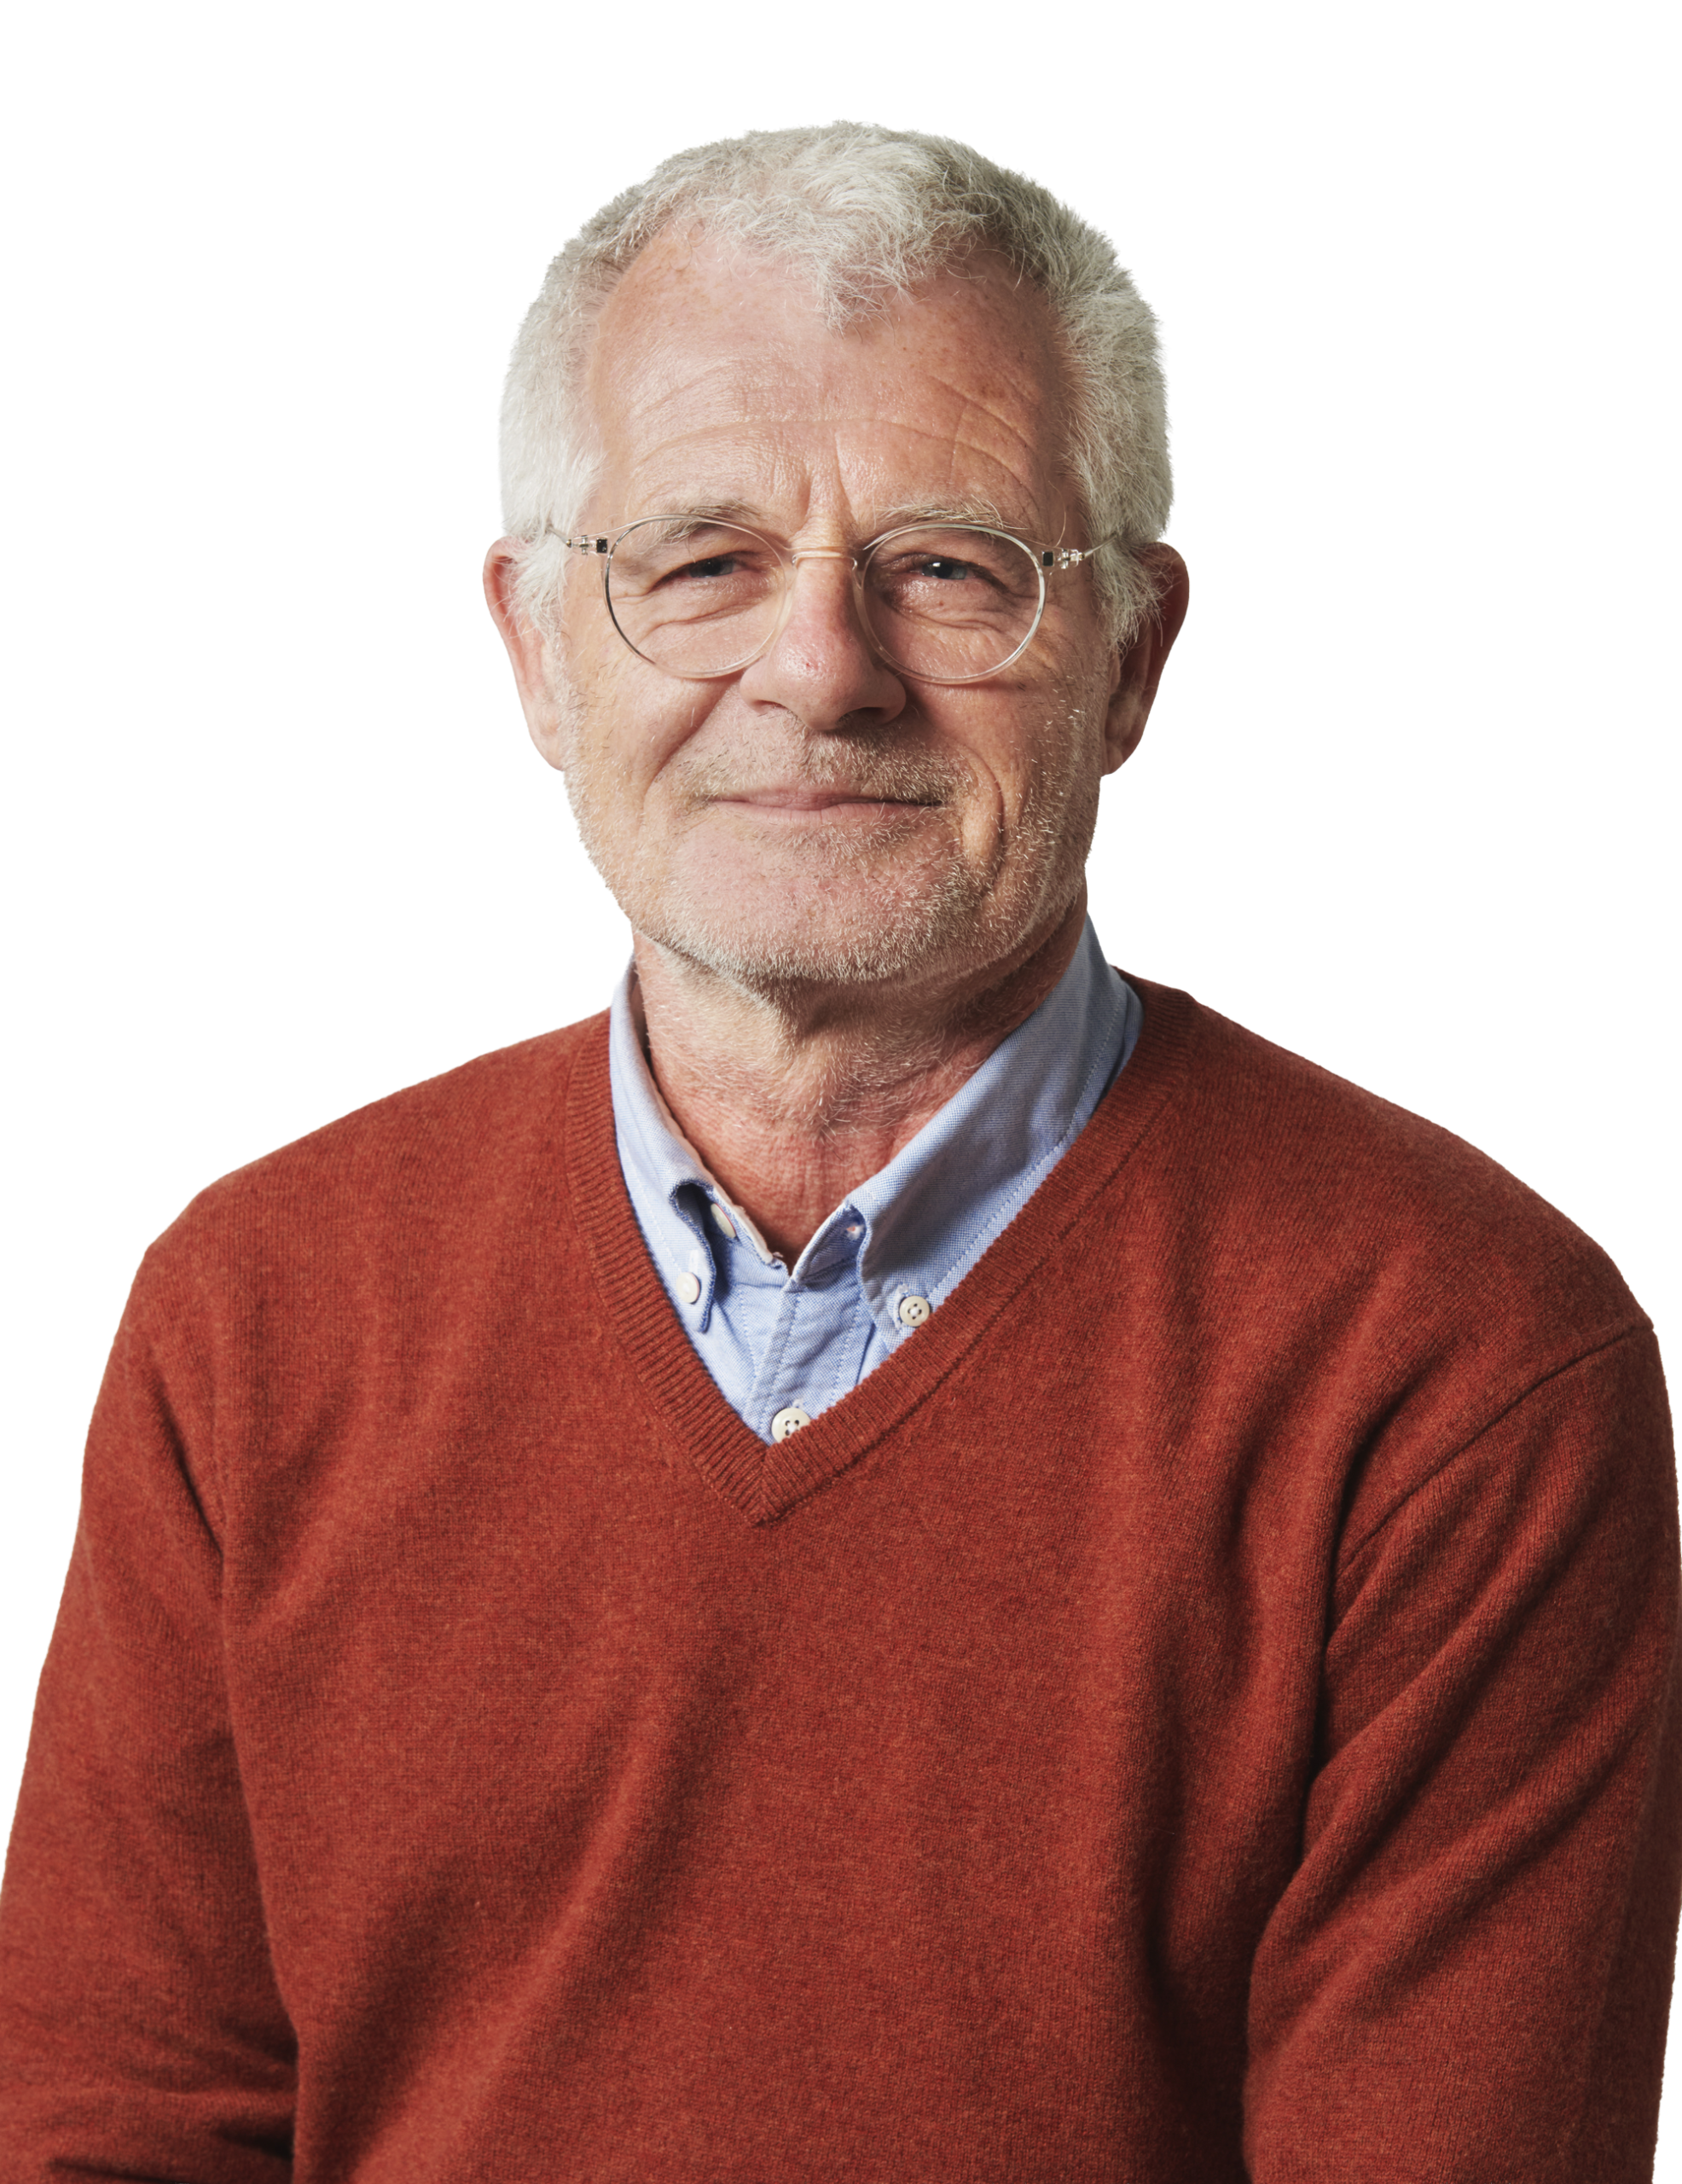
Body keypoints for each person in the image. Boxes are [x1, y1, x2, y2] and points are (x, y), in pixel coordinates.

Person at [2, 120, 1675, 2181]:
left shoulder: (1458, 1354)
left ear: (1133, 656)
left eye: (948, 567)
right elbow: (121, 2137)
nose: (816, 669)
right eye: (700, 562)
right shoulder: (254, 1309)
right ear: (535, 649)